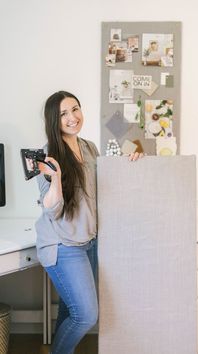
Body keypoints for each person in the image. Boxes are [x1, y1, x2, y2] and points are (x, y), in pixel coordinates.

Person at [35, 91, 143, 354]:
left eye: (75, 109)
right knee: (85, 315)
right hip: (62, 244)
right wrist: (57, 178)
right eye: (63, 114)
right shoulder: (46, 155)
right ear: (54, 119)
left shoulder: (89, 148)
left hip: (89, 242)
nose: (72, 117)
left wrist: (132, 158)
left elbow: (104, 187)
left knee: (70, 311)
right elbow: (52, 208)